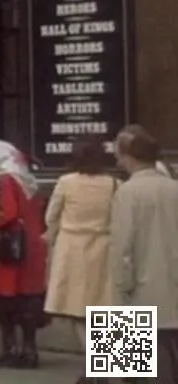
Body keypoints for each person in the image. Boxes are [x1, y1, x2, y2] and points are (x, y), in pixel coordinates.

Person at [110, 124, 178, 379]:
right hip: (171, 288)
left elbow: (122, 247)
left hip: (138, 290)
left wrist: (121, 286)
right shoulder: (174, 189)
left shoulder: (127, 192)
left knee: (128, 372)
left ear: (129, 156)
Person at [44, 136, 117, 363]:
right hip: (105, 248)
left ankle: (93, 360)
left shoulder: (66, 182)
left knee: (76, 308)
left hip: (72, 249)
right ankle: (111, 362)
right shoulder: (115, 184)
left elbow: (50, 217)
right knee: (106, 308)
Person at [0, 140, 49, 368]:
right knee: (29, 298)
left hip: (13, 245)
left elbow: (9, 212)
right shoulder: (30, 180)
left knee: (6, 299)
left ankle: (10, 348)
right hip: (34, 244)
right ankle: (30, 350)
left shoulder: (5, 180)